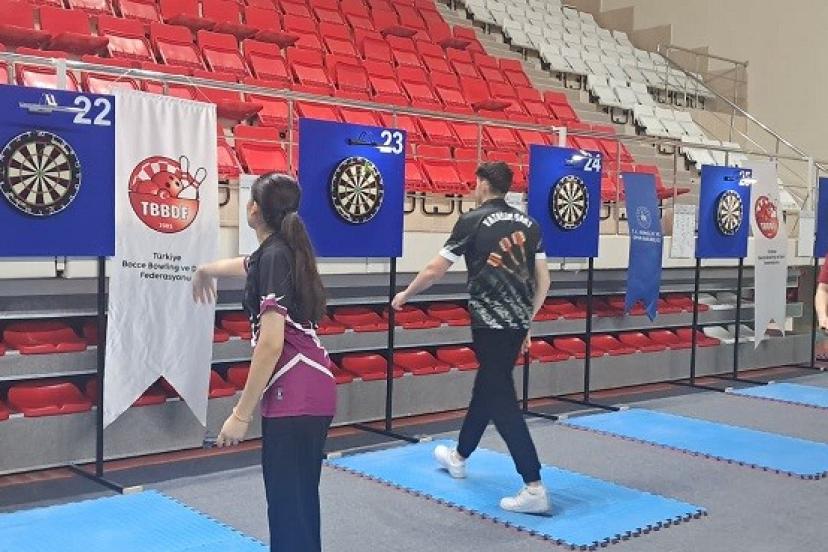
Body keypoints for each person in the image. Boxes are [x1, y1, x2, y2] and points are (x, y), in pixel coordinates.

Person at [392, 161, 552, 514]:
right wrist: (527, 321)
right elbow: (544, 280)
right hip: (516, 324)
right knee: (488, 389)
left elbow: (435, 269)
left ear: (482, 184)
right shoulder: (531, 224)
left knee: (501, 399)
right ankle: (459, 456)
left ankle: (533, 484)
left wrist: (406, 294)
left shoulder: (473, 220)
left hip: (489, 325)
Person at [192, 173, 335, 551]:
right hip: (312, 389)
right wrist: (205, 269)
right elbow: (243, 265)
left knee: (288, 509)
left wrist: (240, 414)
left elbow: (270, 343)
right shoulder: (280, 250)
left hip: (296, 391)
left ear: (254, 208)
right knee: (300, 505)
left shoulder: (274, 255)